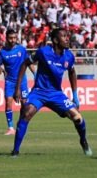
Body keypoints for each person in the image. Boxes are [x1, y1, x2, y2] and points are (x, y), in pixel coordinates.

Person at [11, 28, 91, 157]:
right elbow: (25, 64)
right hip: (39, 92)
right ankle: (15, 151)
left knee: (78, 118)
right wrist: (17, 88)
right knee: (26, 113)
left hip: (56, 94)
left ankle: (83, 140)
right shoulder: (43, 52)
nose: (67, 38)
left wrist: (75, 95)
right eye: (63, 36)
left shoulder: (69, 56)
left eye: (67, 36)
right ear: (55, 40)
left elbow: (72, 72)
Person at [0, 29, 36, 136]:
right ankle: (10, 128)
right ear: (6, 38)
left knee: (24, 104)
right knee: (8, 102)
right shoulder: (3, 52)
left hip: (22, 81)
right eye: (10, 38)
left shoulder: (21, 50)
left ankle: (21, 125)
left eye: (14, 38)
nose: (13, 40)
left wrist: (36, 75)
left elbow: (29, 63)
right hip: (9, 82)